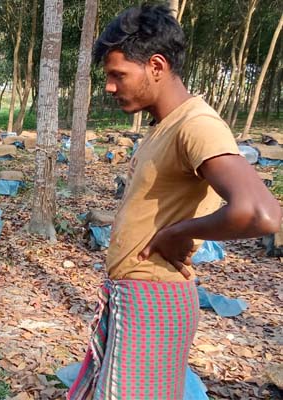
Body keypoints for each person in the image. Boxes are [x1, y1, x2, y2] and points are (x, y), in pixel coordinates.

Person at [68, 4, 281, 399]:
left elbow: (260, 213)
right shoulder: (165, 125)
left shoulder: (196, 124)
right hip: (134, 297)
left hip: (153, 301)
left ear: (156, 65)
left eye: (118, 75)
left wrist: (179, 233)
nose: (110, 87)